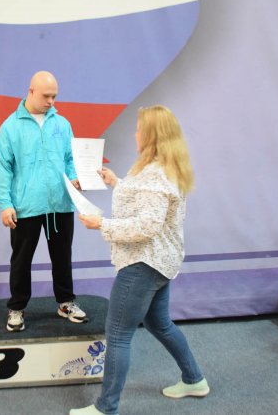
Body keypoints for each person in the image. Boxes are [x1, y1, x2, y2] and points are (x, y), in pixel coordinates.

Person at [70, 105, 209, 415]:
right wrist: (115, 181)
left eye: (138, 129)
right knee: (160, 323)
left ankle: (106, 407)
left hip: (143, 264)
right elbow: (146, 202)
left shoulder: (156, 174)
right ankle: (194, 379)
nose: (134, 134)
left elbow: (146, 226)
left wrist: (101, 224)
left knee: (118, 335)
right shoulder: (162, 168)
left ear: (150, 135)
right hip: (160, 263)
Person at [0, 71, 88, 332]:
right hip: (26, 206)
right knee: (21, 260)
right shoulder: (10, 127)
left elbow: (70, 158)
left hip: (60, 204)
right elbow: (1, 167)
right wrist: (5, 204)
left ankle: (66, 303)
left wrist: (75, 178)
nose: (51, 101)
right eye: (46, 96)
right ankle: (17, 308)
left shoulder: (62, 124)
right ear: (30, 91)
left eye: (54, 96)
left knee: (63, 257)